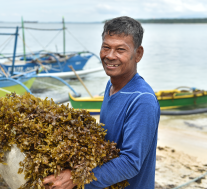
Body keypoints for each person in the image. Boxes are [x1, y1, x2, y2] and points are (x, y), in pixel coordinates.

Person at [43, 16, 160, 189]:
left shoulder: (142, 100)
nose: (110, 56)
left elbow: (130, 162)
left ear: (138, 54)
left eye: (120, 50)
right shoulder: (111, 85)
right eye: (106, 47)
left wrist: (76, 177)